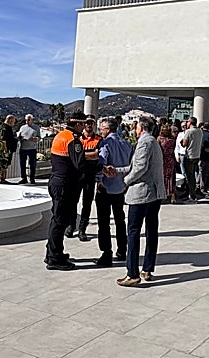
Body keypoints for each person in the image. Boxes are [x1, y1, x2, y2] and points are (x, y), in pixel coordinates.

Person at [104, 116, 165, 287]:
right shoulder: (153, 141)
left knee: (133, 231)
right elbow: (136, 166)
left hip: (143, 193)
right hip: (155, 192)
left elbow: (139, 168)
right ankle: (147, 268)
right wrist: (117, 171)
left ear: (141, 128)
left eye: (136, 126)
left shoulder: (144, 142)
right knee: (152, 230)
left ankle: (132, 273)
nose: (134, 129)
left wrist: (126, 181)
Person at [44, 116, 88, 271]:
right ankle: (54, 258)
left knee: (56, 219)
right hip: (65, 183)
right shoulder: (73, 140)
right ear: (76, 124)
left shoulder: (60, 135)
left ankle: (52, 252)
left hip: (56, 180)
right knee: (60, 221)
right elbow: (80, 163)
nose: (85, 127)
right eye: (83, 124)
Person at [93, 118, 129, 266]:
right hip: (120, 187)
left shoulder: (105, 143)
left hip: (106, 187)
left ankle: (106, 252)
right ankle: (122, 250)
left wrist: (99, 180)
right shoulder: (126, 144)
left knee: (104, 222)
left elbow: (102, 162)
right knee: (120, 220)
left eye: (102, 128)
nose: (100, 131)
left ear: (107, 129)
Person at [69, 118, 101, 242]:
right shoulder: (77, 139)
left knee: (87, 204)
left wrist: (82, 155)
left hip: (90, 175)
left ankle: (82, 229)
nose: (89, 125)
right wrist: (91, 154)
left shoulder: (98, 139)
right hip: (77, 175)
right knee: (73, 202)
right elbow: (75, 155)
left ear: (94, 125)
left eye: (91, 123)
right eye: (87, 123)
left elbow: (98, 155)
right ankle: (71, 226)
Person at [178, 117, 203, 202]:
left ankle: (191, 195)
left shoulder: (188, 132)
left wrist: (182, 141)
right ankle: (193, 193)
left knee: (189, 176)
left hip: (189, 155)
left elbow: (184, 144)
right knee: (193, 175)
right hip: (197, 155)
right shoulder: (200, 131)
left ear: (190, 122)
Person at [17, 114, 41, 184]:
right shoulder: (22, 127)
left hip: (32, 148)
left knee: (32, 164)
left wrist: (35, 139)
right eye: (26, 120)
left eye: (28, 120)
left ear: (32, 120)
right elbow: (19, 136)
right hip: (23, 148)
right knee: (22, 164)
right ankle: (23, 178)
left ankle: (32, 178)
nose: (27, 121)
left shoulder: (36, 128)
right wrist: (20, 137)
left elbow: (39, 138)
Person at [157, 123, 177, 204]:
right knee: (171, 178)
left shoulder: (159, 139)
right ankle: (173, 196)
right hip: (171, 160)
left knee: (163, 177)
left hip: (163, 160)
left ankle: (163, 194)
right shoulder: (172, 140)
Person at [0, 114, 19, 183]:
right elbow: (3, 140)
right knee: (3, 164)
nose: (14, 123)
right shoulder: (5, 128)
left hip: (9, 149)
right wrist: (5, 149)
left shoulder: (8, 127)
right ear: (10, 120)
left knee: (5, 164)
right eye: (13, 121)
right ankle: (1, 179)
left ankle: (2, 178)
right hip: (6, 150)